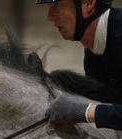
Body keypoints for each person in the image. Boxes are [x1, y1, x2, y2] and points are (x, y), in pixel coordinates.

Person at [35, 0, 122, 130]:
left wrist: (86, 112)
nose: (49, 16)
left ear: (89, 4)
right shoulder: (94, 49)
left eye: (57, 5)